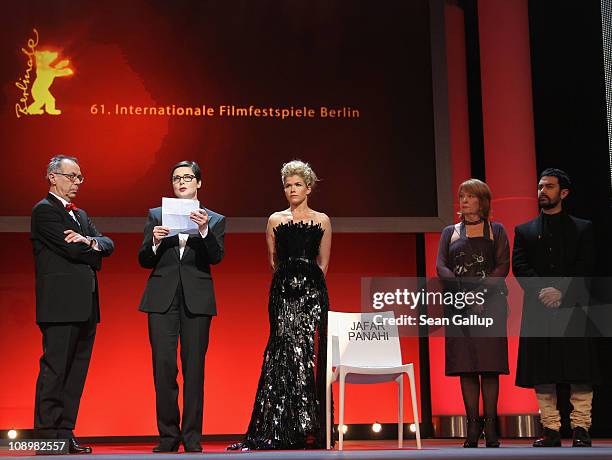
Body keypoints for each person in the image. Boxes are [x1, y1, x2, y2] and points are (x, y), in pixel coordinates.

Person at [228, 160, 332, 450]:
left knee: (307, 356)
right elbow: (273, 261)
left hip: (312, 294)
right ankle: (282, 426)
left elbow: (323, 263)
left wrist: (308, 286)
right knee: (284, 352)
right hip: (283, 293)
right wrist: (289, 283)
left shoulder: (322, 220)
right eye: (288, 185)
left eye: (297, 184)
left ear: (308, 187)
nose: (292, 189)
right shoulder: (275, 220)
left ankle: (308, 426)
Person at [138, 160, 225, 453]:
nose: (182, 182)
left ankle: (191, 437)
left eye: (187, 177)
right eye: (176, 178)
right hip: (161, 298)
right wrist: (153, 241)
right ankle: (167, 437)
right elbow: (144, 259)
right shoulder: (156, 214)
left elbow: (216, 257)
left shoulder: (213, 219)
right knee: (163, 367)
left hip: (197, 300)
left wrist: (203, 231)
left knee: (194, 369)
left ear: (199, 183)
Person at [32, 155, 114, 454]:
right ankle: (46, 438)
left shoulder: (80, 215)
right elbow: (73, 251)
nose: (77, 182)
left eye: (80, 177)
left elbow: (108, 244)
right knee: (55, 371)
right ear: (53, 177)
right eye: (72, 176)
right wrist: (89, 246)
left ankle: (65, 435)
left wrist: (90, 241)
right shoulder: (44, 212)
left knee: (76, 372)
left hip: (87, 306)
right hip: (59, 305)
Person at [513, 168, 599, 448]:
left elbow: (587, 266)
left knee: (579, 368)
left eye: (549, 187)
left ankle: (581, 427)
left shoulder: (582, 228)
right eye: (540, 186)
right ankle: (550, 428)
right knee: (543, 369)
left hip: (574, 305)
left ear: (563, 193)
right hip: (539, 307)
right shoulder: (524, 230)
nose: (542, 191)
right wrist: (543, 290)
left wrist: (561, 290)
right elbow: (520, 266)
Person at [436, 179, 510, 448]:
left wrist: (478, 293)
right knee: (466, 367)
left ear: (482, 201)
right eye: (461, 196)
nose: (463, 200)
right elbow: (441, 266)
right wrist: (463, 291)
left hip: (490, 305)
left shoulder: (496, 231)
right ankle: (471, 428)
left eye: (469, 196)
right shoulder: (450, 232)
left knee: (489, 368)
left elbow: (502, 266)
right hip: (459, 305)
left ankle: (491, 429)